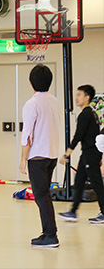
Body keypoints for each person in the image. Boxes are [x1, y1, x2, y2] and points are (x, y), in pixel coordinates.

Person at [19, 64, 60, 248]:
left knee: (41, 195)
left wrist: (22, 159)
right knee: (44, 195)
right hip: (51, 154)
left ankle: (50, 235)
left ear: (30, 83)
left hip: (37, 156)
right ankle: (47, 232)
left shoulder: (32, 104)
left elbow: (27, 135)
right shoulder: (54, 101)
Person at [58, 85, 104, 224]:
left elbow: (78, 136)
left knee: (96, 183)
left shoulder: (85, 115)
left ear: (87, 98)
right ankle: (73, 212)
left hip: (90, 153)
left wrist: (67, 154)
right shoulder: (92, 114)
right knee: (78, 182)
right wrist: (100, 156)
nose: (76, 98)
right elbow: (96, 136)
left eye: (79, 95)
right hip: (89, 154)